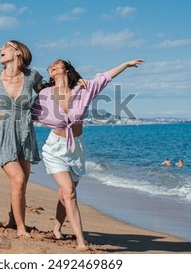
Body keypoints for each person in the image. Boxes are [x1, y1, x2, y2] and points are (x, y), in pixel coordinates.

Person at [32, 58, 144, 251]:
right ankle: (81, 242)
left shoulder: (83, 89)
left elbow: (105, 77)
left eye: (57, 64)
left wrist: (125, 64)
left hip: (77, 147)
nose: (52, 66)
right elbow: (27, 112)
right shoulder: (44, 94)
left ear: (67, 70)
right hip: (54, 148)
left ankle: (57, 228)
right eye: (50, 67)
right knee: (69, 192)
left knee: (64, 194)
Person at [0, 40, 43, 238]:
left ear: (17, 52)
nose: (0, 49)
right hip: (3, 133)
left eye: (5, 46)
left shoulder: (32, 76)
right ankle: (20, 228)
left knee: (22, 183)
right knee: (17, 179)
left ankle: (13, 220)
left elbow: (49, 92)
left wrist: (75, 82)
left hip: (25, 132)